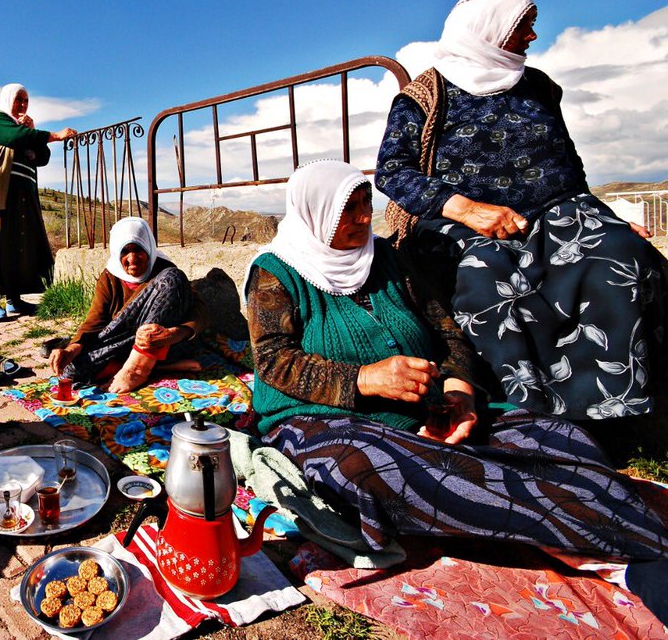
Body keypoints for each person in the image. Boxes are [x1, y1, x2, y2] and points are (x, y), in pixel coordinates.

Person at [246, 160, 668, 591]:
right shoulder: (276, 272)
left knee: (553, 435)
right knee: (375, 470)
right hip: (322, 420)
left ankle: (605, 524)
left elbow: (446, 330)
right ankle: (616, 548)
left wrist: (458, 392)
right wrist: (365, 379)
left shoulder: (386, 257)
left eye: (364, 203)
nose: (363, 217)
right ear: (313, 213)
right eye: (346, 210)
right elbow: (274, 361)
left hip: (422, 405)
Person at [376, 0, 666, 424]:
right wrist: (468, 209)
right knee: (485, 267)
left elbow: (569, 169)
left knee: (619, 254)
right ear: (487, 30)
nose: (532, 37)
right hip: (456, 219)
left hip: (553, 212)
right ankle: (527, 413)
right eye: (523, 27)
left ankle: (619, 405)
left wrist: (607, 221)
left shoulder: (539, 88)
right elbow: (392, 172)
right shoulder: (425, 94)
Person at [50, 217, 206, 394]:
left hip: (166, 345)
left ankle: (137, 369)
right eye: (125, 251)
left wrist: (174, 334)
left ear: (148, 247)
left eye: (138, 249)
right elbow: (96, 321)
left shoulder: (165, 274)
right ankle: (160, 368)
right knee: (71, 371)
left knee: (173, 277)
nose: (132, 259)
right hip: (124, 345)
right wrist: (71, 349)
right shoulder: (110, 277)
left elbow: (199, 312)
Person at [0, 83, 76, 321]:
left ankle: (14, 300)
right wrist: (55, 135)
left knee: (16, 247)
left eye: (26, 100)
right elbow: (13, 137)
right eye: (19, 99)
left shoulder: (24, 131)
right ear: (8, 100)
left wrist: (35, 131)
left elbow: (43, 158)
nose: (23, 105)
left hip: (20, 197)